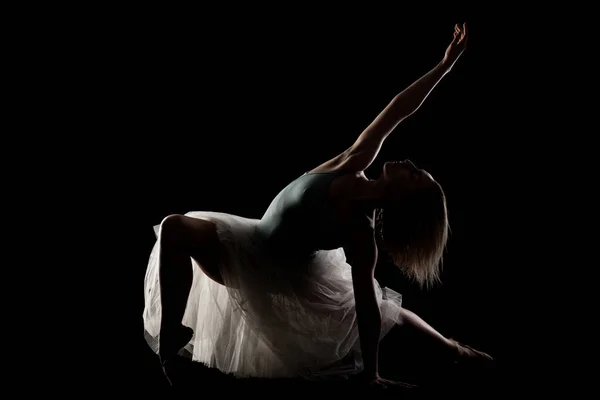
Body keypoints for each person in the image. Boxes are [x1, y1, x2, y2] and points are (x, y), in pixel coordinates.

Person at [142, 23, 492, 389]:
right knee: (174, 226)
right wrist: (445, 64)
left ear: (404, 198)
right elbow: (398, 110)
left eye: (414, 174)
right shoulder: (352, 162)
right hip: (248, 236)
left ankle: (454, 350)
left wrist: (371, 373)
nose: (408, 164)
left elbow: (369, 314)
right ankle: (171, 339)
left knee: (389, 311)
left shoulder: (359, 232)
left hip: (270, 272)